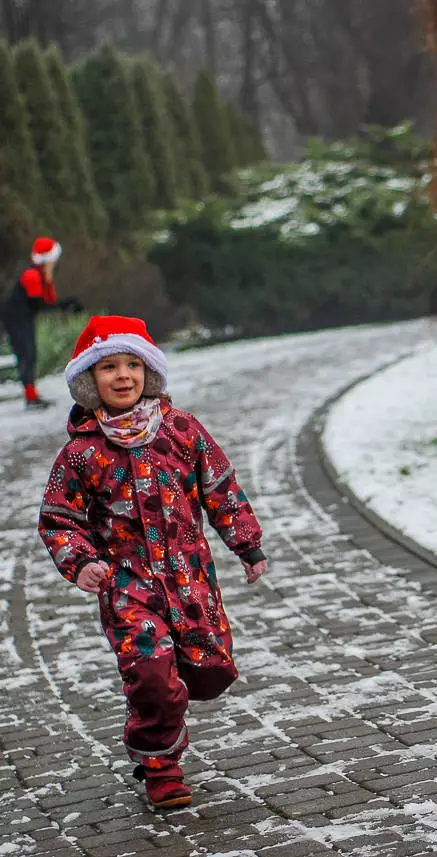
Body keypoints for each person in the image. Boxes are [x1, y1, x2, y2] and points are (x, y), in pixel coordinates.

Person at [38, 315, 268, 810]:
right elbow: (58, 519)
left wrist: (246, 543)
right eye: (109, 368)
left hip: (190, 581)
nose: (123, 376)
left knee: (209, 671)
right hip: (127, 587)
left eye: (133, 365)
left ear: (149, 372)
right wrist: (80, 563)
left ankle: (171, 709)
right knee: (151, 673)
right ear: (88, 381)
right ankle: (161, 766)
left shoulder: (182, 430)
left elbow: (220, 489)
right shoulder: (81, 454)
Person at [1, 236, 83, 409]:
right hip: (15, 318)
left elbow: (47, 301)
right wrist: (64, 305)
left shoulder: (42, 275)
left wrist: (65, 303)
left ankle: (32, 395)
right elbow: (38, 303)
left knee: (30, 354)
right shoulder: (31, 275)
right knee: (26, 354)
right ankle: (30, 397)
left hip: (24, 317)